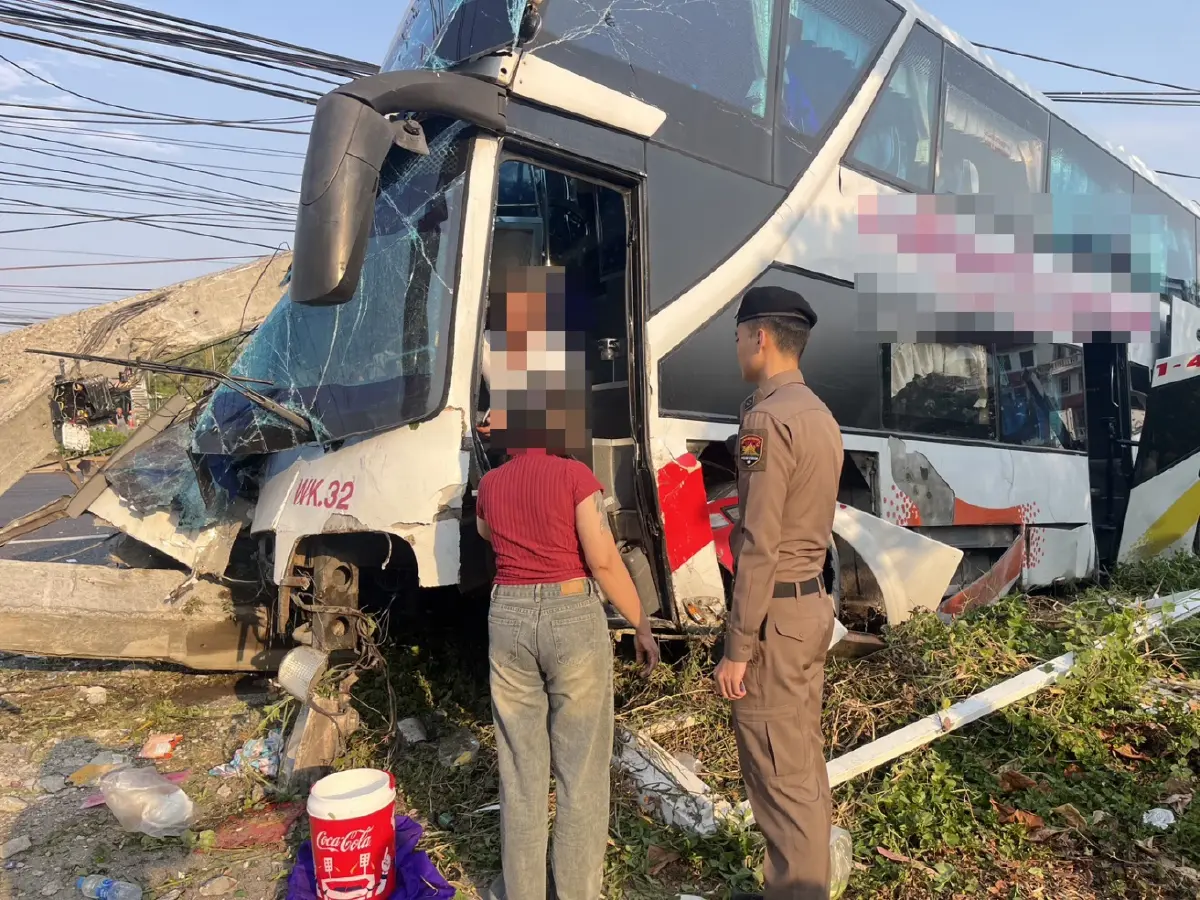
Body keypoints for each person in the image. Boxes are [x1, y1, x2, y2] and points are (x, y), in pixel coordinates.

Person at [476, 265, 660, 900]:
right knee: (581, 773)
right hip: (569, 616)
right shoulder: (576, 477)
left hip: (507, 620)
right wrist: (639, 622)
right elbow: (604, 560)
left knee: (521, 773)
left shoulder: (491, 484)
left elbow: (483, 534)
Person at [712, 284, 844, 900]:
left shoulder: (765, 418)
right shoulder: (818, 414)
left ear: (759, 338)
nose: (737, 347)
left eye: (739, 337)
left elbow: (759, 542)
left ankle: (798, 890)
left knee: (776, 768)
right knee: (801, 761)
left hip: (776, 617)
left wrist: (738, 644)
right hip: (810, 606)